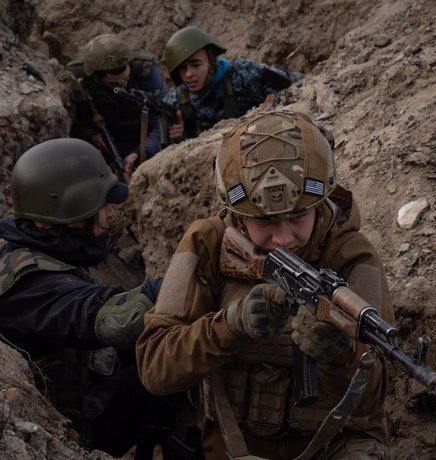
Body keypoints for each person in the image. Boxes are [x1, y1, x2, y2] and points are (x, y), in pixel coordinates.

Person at [136, 110, 395, 459]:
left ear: (320, 202)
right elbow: (155, 368)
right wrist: (229, 325)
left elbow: (372, 404)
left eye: (298, 216)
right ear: (238, 216)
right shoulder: (208, 243)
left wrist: (340, 355)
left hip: (329, 446)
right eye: (266, 221)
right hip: (231, 445)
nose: (284, 238)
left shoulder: (351, 255)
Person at [0, 138, 171, 457]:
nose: (110, 214)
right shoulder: (34, 286)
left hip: (61, 388)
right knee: (158, 375)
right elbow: (116, 321)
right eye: (101, 205)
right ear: (68, 214)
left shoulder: (22, 254)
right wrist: (188, 276)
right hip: (53, 432)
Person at [163, 26, 304, 140]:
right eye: (182, 68)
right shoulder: (176, 100)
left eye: (196, 65)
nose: (188, 74)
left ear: (212, 62)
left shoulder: (244, 75)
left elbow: (297, 84)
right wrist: (179, 136)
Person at [71, 34, 168, 176]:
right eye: (115, 84)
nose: (122, 86)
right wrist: (91, 136)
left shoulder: (146, 72)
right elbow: (75, 124)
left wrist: (141, 152)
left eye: (126, 80)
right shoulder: (81, 82)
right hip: (108, 144)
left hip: (145, 142)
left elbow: (161, 122)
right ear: (97, 79)